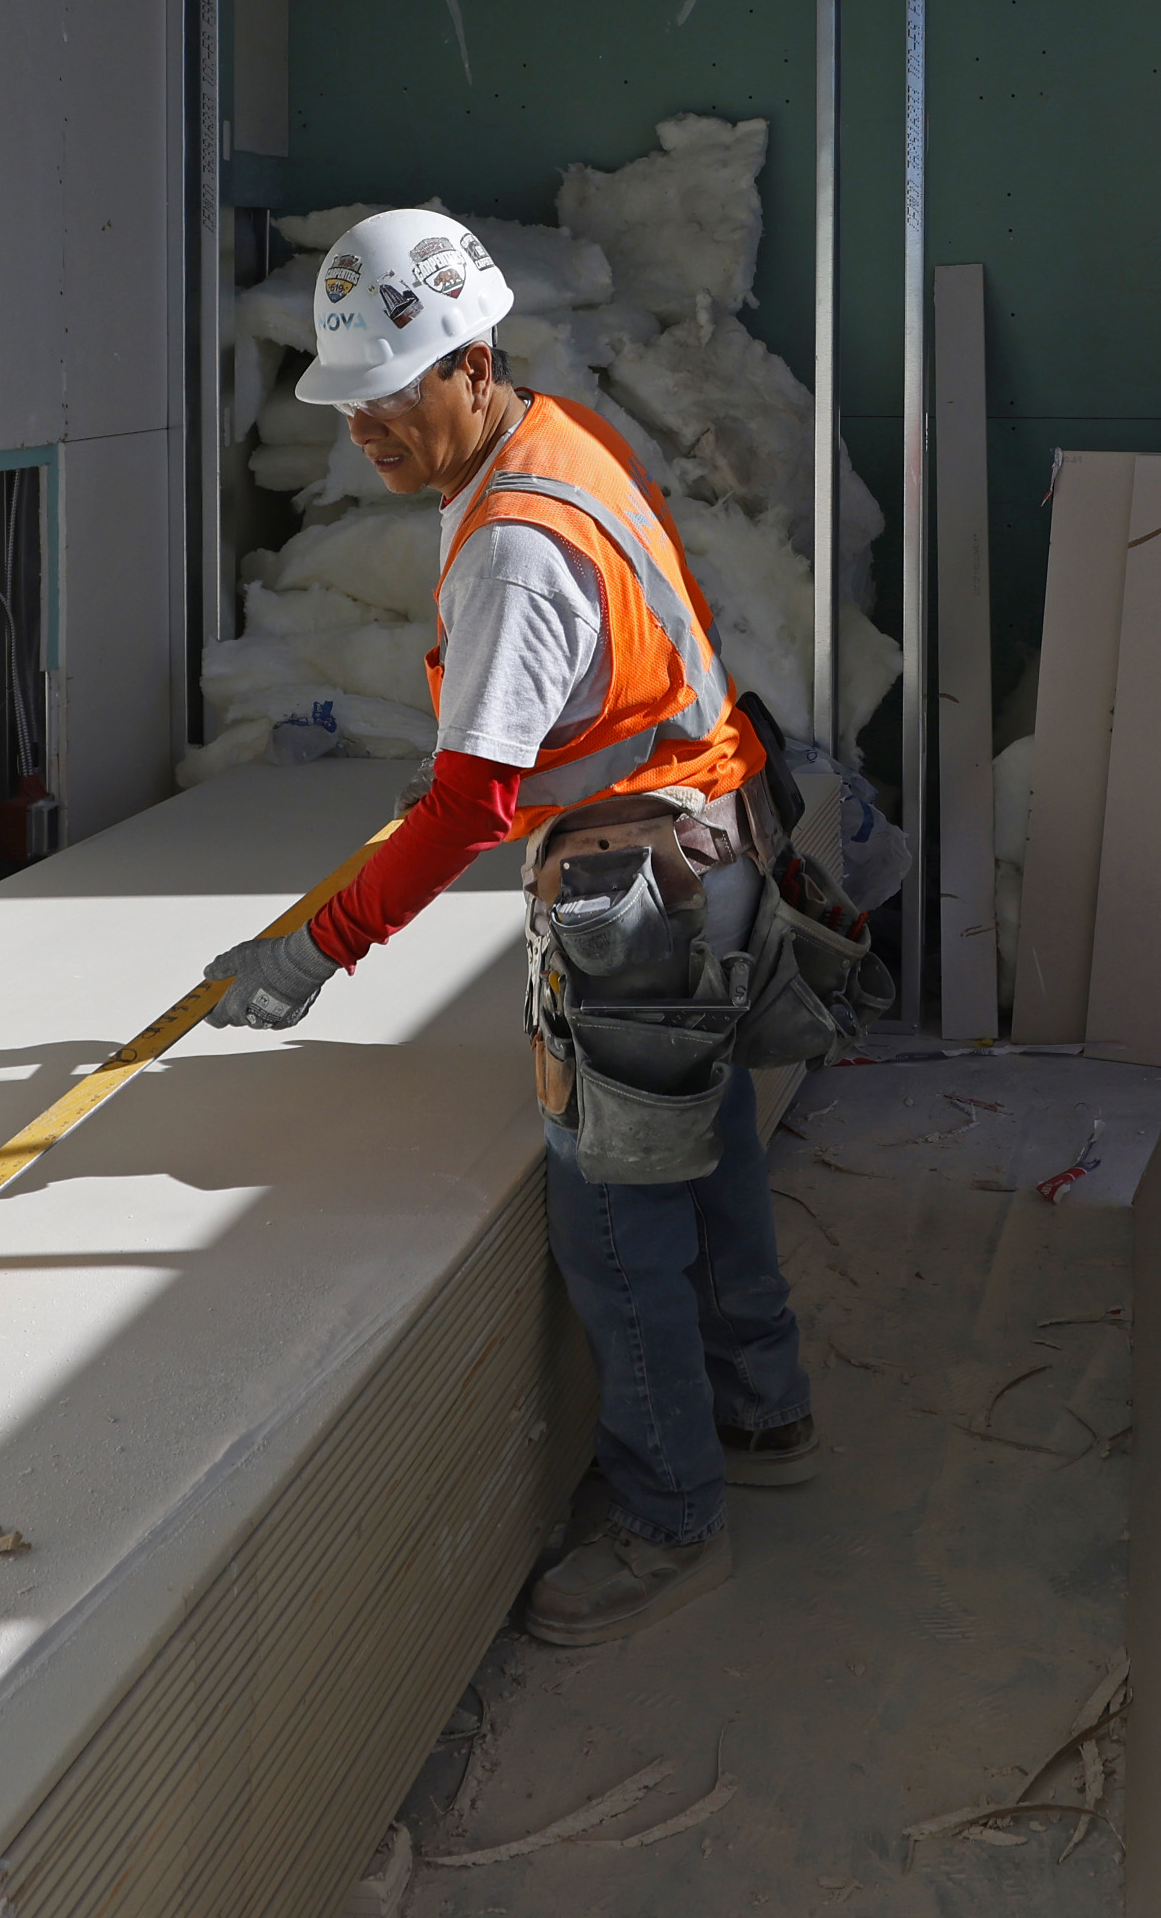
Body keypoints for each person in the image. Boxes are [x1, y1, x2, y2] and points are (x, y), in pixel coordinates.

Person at [197, 209, 818, 1647]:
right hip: (711, 841)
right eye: (348, 407)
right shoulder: (557, 439)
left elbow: (474, 811)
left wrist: (316, 946)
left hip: (642, 892)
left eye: (390, 397)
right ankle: (769, 1416)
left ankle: (672, 1519)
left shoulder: (510, 550)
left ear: (472, 362)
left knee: (617, 1222)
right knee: (713, 1155)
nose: (368, 434)